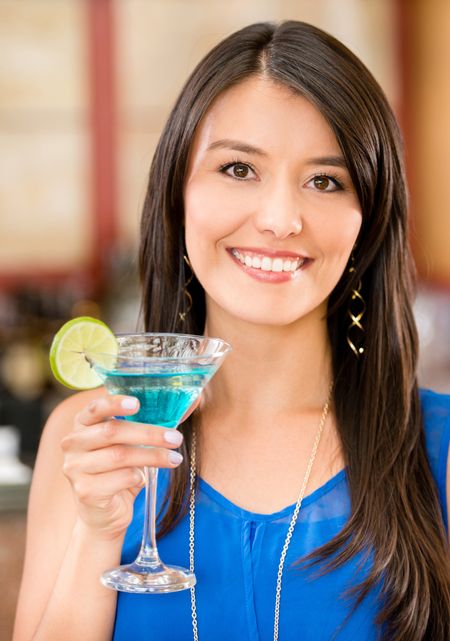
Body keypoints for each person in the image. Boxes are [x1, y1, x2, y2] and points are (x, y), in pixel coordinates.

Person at [13, 20, 450, 641]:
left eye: (326, 180)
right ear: (177, 194)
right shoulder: (87, 443)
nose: (278, 219)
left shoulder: (439, 451)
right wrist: (97, 533)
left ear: (368, 223)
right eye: (239, 169)